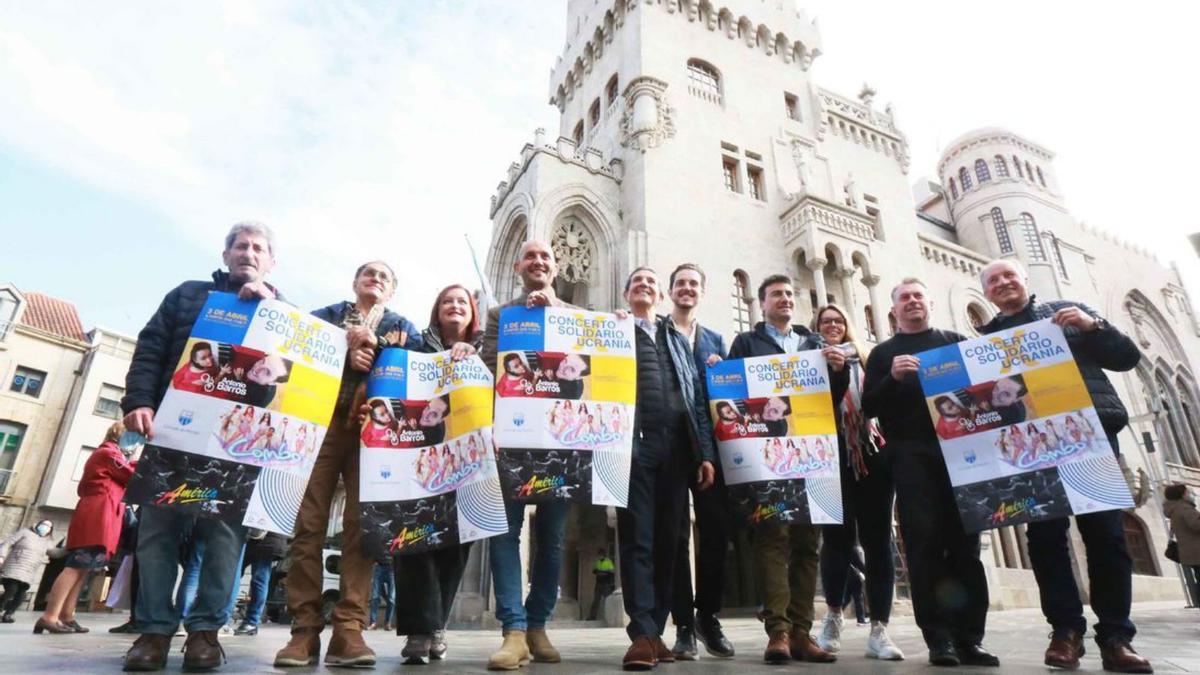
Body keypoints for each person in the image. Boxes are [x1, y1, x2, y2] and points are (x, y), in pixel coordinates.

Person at [120, 222, 281, 672]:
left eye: (258, 248)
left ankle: (205, 633)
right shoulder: (186, 295)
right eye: (241, 246)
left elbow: (290, 377)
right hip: (173, 432)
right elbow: (149, 349)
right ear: (226, 254)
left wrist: (267, 316)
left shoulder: (281, 311)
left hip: (235, 442)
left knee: (226, 539)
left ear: (271, 262)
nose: (249, 252)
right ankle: (152, 632)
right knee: (157, 534)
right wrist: (138, 402)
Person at [979, 258, 1151, 673]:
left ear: (1024, 281)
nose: (1003, 283)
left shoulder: (1069, 315)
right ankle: (1065, 633)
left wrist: (1094, 326)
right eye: (994, 280)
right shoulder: (984, 343)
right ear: (986, 292)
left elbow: (1127, 358)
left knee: (1107, 536)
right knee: (1045, 542)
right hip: (1030, 449)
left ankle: (1115, 637)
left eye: (1009, 276)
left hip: (1086, 438)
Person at [274, 260, 421, 669]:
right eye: (368, 273)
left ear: (391, 290)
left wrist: (374, 359)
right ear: (355, 282)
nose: (376, 279)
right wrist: (345, 345)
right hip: (320, 427)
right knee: (308, 525)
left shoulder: (404, 328)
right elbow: (293, 347)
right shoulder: (325, 318)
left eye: (385, 276)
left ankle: (348, 630)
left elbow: (419, 372)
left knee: (361, 528)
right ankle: (303, 630)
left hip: (372, 435)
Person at [861, 278, 998, 668]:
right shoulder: (883, 354)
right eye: (904, 298)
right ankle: (939, 639)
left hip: (961, 455)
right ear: (894, 310)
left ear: (930, 303)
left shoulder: (955, 341)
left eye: (918, 295)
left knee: (966, 548)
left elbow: (985, 394)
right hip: (909, 456)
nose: (912, 302)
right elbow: (868, 406)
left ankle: (969, 638)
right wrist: (894, 378)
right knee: (923, 547)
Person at [726, 274, 847, 665]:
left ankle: (801, 631)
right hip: (767, 456)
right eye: (777, 293)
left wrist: (838, 370)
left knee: (807, 543)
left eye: (789, 294)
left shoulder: (813, 344)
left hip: (811, 455)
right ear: (762, 303)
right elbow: (731, 395)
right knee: (772, 538)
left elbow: (833, 400)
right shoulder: (746, 343)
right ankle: (777, 630)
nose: (785, 299)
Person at [481, 240, 578, 671]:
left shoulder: (575, 317)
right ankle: (514, 631)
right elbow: (488, 370)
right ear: (519, 266)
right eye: (531, 257)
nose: (538, 262)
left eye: (546, 257)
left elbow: (598, 361)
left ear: (555, 268)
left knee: (553, 540)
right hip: (512, 441)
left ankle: (538, 624)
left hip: (560, 444)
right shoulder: (502, 315)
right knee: (505, 535)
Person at [617, 267, 717, 670]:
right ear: (626, 294)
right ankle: (641, 632)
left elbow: (694, 398)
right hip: (633, 449)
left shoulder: (675, 338)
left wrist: (705, 453)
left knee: (668, 545)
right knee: (637, 539)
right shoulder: (614, 331)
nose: (644, 285)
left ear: (660, 296)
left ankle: (656, 630)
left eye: (650, 282)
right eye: (637, 281)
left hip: (677, 451)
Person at [393, 283, 483, 665]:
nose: (454, 306)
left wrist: (473, 357)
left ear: (472, 312)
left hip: (468, 458)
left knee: (455, 545)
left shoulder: (487, 348)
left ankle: (436, 625)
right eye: (447, 301)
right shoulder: (415, 344)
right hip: (416, 453)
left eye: (462, 301)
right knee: (412, 541)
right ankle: (418, 631)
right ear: (437, 309)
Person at [810, 303, 904, 661]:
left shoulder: (869, 358)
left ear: (847, 325)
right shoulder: (811, 359)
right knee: (836, 539)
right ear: (816, 327)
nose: (832, 325)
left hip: (872, 453)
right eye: (825, 321)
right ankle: (833, 616)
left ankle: (879, 627)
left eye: (838, 320)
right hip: (830, 456)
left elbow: (883, 400)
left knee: (879, 540)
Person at [661, 263, 735, 661]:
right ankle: (684, 625)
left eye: (694, 283)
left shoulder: (714, 340)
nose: (687, 289)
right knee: (675, 536)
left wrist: (721, 372)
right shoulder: (659, 332)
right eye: (681, 283)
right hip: (672, 446)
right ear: (671, 291)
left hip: (710, 447)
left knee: (716, 532)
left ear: (701, 292)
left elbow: (721, 398)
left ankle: (708, 615)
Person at [37, 421, 137, 635]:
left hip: (101, 513)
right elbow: (130, 474)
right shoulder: (108, 453)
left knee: (82, 570)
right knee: (75, 567)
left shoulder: (109, 454)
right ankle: (50, 616)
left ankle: (65, 615)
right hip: (98, 515)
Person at [0, 519, 60, 624]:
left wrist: (70, 549)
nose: (45, 527)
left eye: (48, 526)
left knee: (22, 595)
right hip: (13, 567)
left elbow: (55, 553)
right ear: (37, 525)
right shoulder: (25, 532)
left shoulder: (47, 542)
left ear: (50, 530)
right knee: (11, 590)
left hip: (28, 572)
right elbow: (8, 542)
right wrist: (1, 556)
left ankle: (8, 614)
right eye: (44, 524)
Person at [232, 532, 287, 635]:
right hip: (266, 536)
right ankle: (251, 622)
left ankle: (250, 621)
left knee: (235, 575)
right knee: (259, 579)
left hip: (262, 537)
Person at [1164, 484, 1200, 605]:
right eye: (1188, 492)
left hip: (1190, 551)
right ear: (1182, 495)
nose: (1191, 494)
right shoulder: (1185, 508)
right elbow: (1196, 525)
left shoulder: (1174, 509)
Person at [367, 555, 394, 632]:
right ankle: (373, 623)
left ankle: (388, 622)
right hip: (379, 566)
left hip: (392, 568)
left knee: (392, 598)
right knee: (375, 597)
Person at [589, 549, 616, 621]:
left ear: (603, 555)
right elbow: (594, 570)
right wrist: (597, 571)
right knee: (596, 601)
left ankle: (610, 616)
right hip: (598, 583)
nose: (599, 556)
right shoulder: (598, 562)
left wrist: (602, 572)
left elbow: (611, 572)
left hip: (606, 584)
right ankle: (592, 617)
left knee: (608, 601)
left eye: (600, 554)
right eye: (599, 555)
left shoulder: (608, 561)